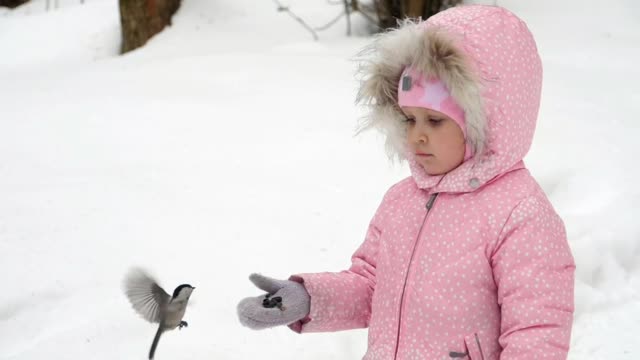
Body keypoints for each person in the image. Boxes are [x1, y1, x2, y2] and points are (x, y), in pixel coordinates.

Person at [237, 5, 575, 359]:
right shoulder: (402, 200)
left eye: (434, 120)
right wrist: (307, 299)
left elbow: (537, 333)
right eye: (410, 119)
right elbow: (370, 286)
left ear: (487, 120)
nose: (417, 136)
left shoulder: (520, 215)